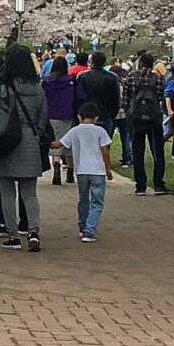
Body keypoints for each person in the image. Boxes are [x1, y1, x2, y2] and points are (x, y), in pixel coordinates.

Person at [0, 45, 48, 251]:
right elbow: (43, 118)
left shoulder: (2, 88)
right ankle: (33, 231)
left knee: (7, 193)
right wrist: (37, 134)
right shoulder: (37, 88)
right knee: (30, 193)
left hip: (6, 142)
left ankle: (13, 235)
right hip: (30, 142)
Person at [53, 102, 113, 243]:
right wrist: (108, 169)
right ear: (96, 118)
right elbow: (105, 151)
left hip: (81, 171)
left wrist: (47, 142)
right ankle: (89, 231)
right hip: (97, 171)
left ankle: (82, 226)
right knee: (97, 203)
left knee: (83, 199)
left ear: (79, 116)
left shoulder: (75, 130)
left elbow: (59, 144)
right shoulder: (100, 131)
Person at [123, 53, 170, 197]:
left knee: (138, 152)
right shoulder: (159, 78)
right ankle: (158, 184)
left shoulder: (131, 77)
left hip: (136, 119)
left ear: (141, 63)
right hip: (154, 119)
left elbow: (124, 100)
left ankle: (140, 186)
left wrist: (130, 113)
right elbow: (160, 96)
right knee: (157, 151)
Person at [43, 57, 76, 186]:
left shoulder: (46, 81)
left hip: (51, 114)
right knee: (68, 142)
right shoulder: (72, 81)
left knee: (54, 140)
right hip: (67, 113)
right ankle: (70, 171)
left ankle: (56, 165)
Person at [76, 51, 121, 137]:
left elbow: (79, 97)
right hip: (106, 113)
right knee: (104, 142)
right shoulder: (112, 77)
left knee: (87, 142)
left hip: (87, 113)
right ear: (104, 62)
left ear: (91, 61)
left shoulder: (82, 76)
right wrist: (113, 113)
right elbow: (116, 98)